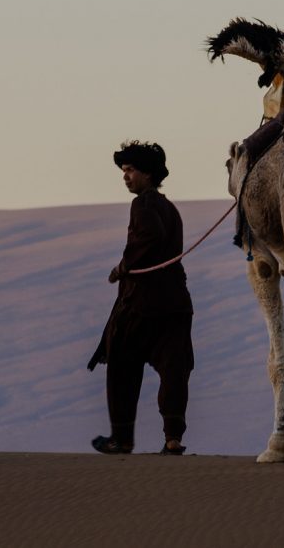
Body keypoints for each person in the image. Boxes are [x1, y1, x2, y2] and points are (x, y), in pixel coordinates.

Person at [88, 141, 194, 455]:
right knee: (174, 371)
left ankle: (122, 439)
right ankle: (173, 438)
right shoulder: (169, 207)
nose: (126, 177)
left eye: (130, 170)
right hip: (175, 302)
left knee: (121, 367)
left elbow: (150, 236)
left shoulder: (144, 205)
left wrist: (123, 267)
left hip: (142, 304)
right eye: (124, 171)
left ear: (147, 173)